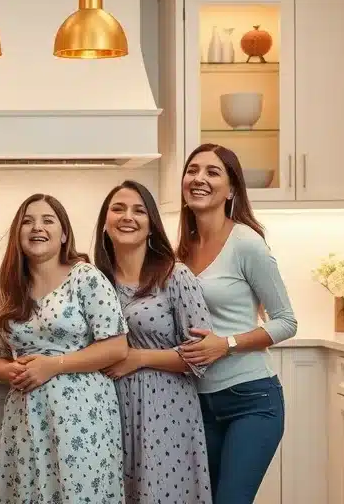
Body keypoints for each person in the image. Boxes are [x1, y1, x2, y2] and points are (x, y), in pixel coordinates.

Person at [0, 193, 129, 504]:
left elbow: (117, 347)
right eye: (28, 221)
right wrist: (6, 370)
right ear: (17, 233)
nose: (37, 227)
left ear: (63, 234)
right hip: (25, 418)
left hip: (83, 416)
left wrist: (53, 365)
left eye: (48, 220)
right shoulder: (7, 290)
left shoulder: (86, 278)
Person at [175, 143, 298, 504]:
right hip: (198, 403)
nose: (199, 178)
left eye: (212, 172)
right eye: (193, 170)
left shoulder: (246, 243)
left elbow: (287, 322)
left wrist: (224, 344)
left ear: (231, 190)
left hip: (251, 400)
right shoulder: (182, 248)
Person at [94, 180, 214, 504]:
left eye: (138, 210)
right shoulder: (94, 282)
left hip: (166, 411)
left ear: (151, 225)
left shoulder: (176, 276)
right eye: (118, 209)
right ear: (104, 224)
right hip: (109, 409)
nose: (127, 217)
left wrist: (139, 357)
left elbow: (201, 355)